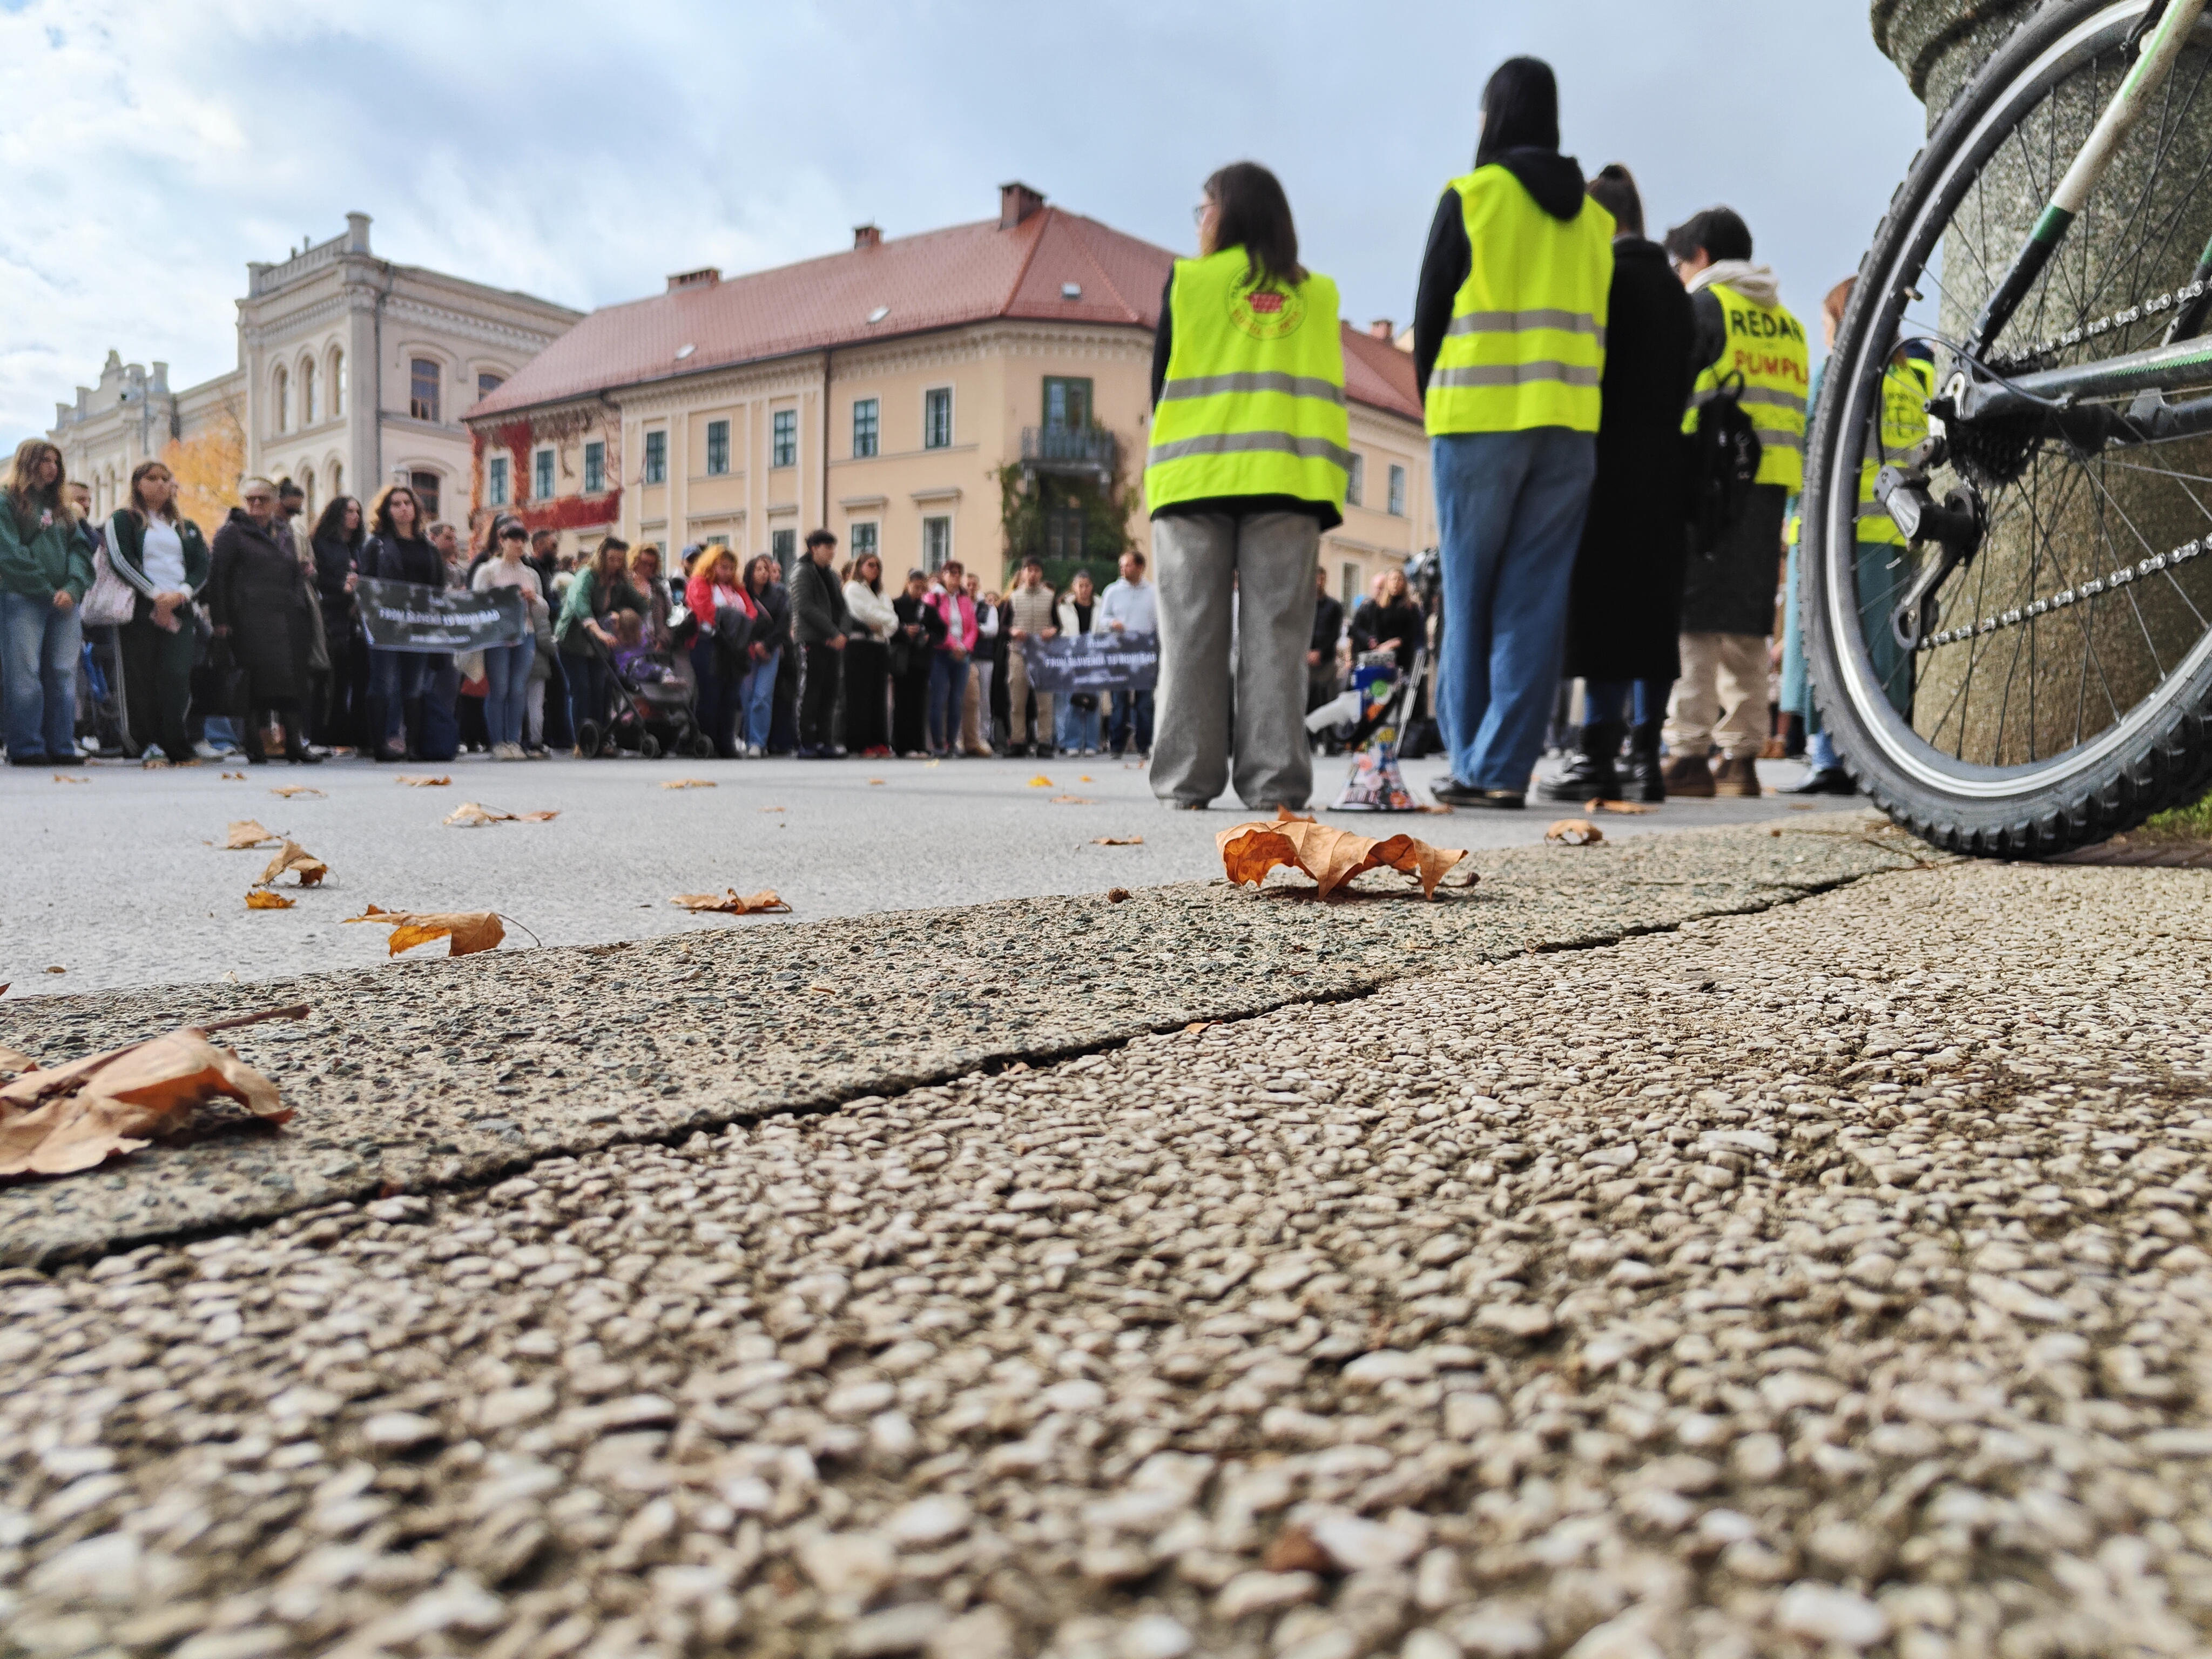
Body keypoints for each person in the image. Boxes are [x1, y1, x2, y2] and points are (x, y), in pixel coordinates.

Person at [1414, 57, 1614, 810]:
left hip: (1476, 422)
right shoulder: (1596, 220)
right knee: (1534, 603)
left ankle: (1470, 763)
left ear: (1495, 115)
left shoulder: (1473, 196)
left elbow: (1430, 315)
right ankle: (1503, 771)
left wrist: (1432, 407)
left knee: (1468, 597)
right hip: (1570, 427)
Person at [1146, 161, 1350, 810]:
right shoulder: (1318, 296)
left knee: (1191, 634)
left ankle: (1185, 781)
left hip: (1194, 476)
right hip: (1287, 481)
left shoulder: (1190, 282)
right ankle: (1275, 785)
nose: (1200, 220)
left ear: (1223, 213)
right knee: (1277, 636)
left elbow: (1162, 386)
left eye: (1203, 208)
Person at [1539, 163, 1695, 805]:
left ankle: (1596, 753)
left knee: (1603, 604)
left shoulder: (1604, 278)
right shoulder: (1678, 290)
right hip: (1668, 464)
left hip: (1608, 460)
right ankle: (1645, 756)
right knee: (1654, 612)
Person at [1660, 204, 1809, 799]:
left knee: (1694, 618)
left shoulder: (1705, 306)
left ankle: (1689, 751)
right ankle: (1742, 759)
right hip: (1769, 485)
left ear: (1699, 258)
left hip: (1710, 481)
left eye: (1679, 261)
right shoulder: (1790, 324)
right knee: (1747, 618)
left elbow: (1674, 395)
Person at [208, 477, 322, 764]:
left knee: (292, 683)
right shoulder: (231, 533)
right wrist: (220, 619)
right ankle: (255, 745)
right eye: (250, 499)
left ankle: (294, 744)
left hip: (288, 619)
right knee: (254, 683)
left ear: (275, 503)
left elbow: (291, 571)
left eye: (262, 499)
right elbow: (217, 578)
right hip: (249, 620)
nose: (256, 504)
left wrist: (302, 579)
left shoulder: (285, 532)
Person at [105, 461, 210, 765]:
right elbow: (120, 559)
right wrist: (154, 595)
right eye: (153, 478)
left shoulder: (186, 526)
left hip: (180, 608)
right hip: (139, 609)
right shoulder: (124, 519)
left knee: (176, 675)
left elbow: (202, 566)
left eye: (166, 478)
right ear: (138, 484)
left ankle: (175, 742)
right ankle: (143, 742)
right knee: (140, 677)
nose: (161, 484)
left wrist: (182, 593)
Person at [0, 441, 92, 765]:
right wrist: (44, 587)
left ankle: (61, 745)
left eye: (56, 461)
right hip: (22, 598)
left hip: (65, 602)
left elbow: (81, 551)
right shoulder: (6, 502)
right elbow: (8, 552)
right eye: (45, 460)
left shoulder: (64, 510)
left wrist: (72, 587)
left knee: (63, 672)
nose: (53, 467)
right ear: (28, 462)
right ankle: (26, 746)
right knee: (24, 673)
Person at [359, 484, 442, 761]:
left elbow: (438, 588)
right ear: (387, 511)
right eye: (396, 504)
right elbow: (367, 584)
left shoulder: (429, 547)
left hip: (419, 626)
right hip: (386, 626)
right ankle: (380, 744)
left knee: (414, 686)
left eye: (407, 503)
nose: (403, 508)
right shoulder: (376, 545)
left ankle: (414, 745)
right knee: (383, 683)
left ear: (416, 508)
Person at [555, 536, 640, 750]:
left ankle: (599, 741)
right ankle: (581, 742)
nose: (615, 564)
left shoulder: (620, 581)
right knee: (582, 689)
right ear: (602, 558)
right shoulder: (586, 576)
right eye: (611, 559)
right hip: (573, 641)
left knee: (600, 690)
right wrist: (600, 632)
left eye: (620, 560)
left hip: (598, 645)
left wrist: (643, 599)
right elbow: (580, 604)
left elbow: (635, 605)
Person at [473, 517, 542, 760]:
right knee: (499, 687)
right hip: (498, 636)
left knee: (518, 688)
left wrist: (534, 599)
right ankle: (497, 741)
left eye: (522, 540)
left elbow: (542, 610)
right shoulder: (488, 571)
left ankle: (514, 740)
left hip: (526, 633)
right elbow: (477, 602)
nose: (519, 545)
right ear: (501, 541)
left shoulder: (530, 574)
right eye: (513, 539)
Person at [685, 545, 754, 758]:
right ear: (712, 565)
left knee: (730, 696)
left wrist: (737, 623)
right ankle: (707, 741)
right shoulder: (699, 583)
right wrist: (733, 618)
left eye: (731, 568)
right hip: (710, 643)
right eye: (723, 567)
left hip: (734, 647)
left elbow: (751, 611)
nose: (727, 572)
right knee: (710, 694)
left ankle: (726, 742)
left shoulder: (737, 588)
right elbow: (704, 610)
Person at [788, 529, 848, 757]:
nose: (832, 552)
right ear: (814, 548)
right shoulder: (802, 572)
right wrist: (833, 632)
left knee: (830, 692)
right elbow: (805, 607)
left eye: (834, 547)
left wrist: (842, 633)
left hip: (833, 642)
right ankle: (806, 742)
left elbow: (843, 609)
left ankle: (825, 741)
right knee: (810, 691)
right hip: (811, 639)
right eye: (828, 547)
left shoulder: (832, 576)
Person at [1098, 549, 1158, 758]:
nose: (1124, 569)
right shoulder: (1112, 592)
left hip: (1144, 655)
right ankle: (1117, 746)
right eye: (1122, 566)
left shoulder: (1153, 592)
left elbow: (1159, 622)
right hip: (1119, 654)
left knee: (1144, 704)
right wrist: (1112, 623)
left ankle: (1144, 746)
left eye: (1128, 565)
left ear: (1140, 567)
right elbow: (1102, 619)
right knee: (1119, 702)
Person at [843, 551, 897, 757]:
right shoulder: (853, 588)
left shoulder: (881, 593)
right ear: (860, 567)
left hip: (879, 645)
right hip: (860, 647)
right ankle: (859, 743)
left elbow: (892, 619)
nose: (874, 569)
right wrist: (886, 622)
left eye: (877, 566)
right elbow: (864, 613)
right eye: (870, 565)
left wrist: (883, 626)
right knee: (860, 697)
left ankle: (878, 741)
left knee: (878, 697)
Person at [1002, 555, 1058, 757]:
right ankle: (1018, 741)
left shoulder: (1050, 597)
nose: (1033, 574)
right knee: (1017, 700)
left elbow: (1058, 624)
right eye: (1029, 570)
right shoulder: (1014, 598)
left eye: (1036, 570)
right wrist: (1012, 631)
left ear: (1041, 574)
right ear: (1023, 573)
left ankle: (1044, 742)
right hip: (1019, 652)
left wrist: (1053, 631)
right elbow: (1003, 626)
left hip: (1043, 654)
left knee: (1045, 701)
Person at [923, 559, 975, 757]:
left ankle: (952, 742)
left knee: (957, 699)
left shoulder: (964, 599)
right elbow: (937, 626)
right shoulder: (933, 598)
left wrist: (965, 646)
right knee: (938, 698)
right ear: (943, 575)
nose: (955, 577)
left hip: (962, 654)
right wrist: (953, 645)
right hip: (941, 652)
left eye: (958, 574)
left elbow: (972, 628)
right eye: (951, 573)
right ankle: (938, 743)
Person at [891, 567, 943, 757]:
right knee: (903, 703)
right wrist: (904, 631)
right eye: (916, 586)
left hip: (922, 661)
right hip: (902, 661)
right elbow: (889, 627)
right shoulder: (895, 604)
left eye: (923, 588)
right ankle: (902, 745)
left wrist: (929, 636)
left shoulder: (928, 610)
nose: (920, 591)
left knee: (920, 704)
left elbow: (940, 631)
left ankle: (919, 744)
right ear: (908, 584)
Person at [740, 553, 788, 756]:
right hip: (747, 651)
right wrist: (752, 644)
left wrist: (767, 645)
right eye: (758, 569)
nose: (763, 573)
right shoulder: (741, 594)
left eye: (766, 569)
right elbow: (739, 622)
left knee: (763, 696)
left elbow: (783, 624)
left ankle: (758, 742)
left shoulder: (778, 596)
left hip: (770, 651)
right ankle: (747, 738)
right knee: (747, 696)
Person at [1054, 568, 1105, 756]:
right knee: (1072, 702)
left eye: (1087, 586)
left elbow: (1105, 632)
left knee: (1093, 702)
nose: (1084, 589)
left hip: (1094, 659)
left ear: (1092, 587)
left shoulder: (1101, 607)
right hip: (1072, 660)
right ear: (1073, 587)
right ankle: (1072, 743)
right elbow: (1061, 633)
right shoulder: (1063, 608)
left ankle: (1092, 744)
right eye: (1080, 586)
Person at [960, 569, 998, 756]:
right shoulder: (958, 604)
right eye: (968, 584)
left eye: (974, 584)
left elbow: (993, 629)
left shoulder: (988, 608)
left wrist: (974, 629)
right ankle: (962, 737)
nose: (971, 588)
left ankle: (983, 735)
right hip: (965, 656)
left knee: (984, 698)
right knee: (963, 699)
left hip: (983, 656)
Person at [1306, 565, 1345, 736]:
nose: (1318, 582)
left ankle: (1329, 739)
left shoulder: (1334, 606)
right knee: (1305, 699)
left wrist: (1320, 652)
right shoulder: (1302, 606)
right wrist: (1306, 652)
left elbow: (1334, 633)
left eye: (1321, 578)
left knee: (1329, 700)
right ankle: (1306, 737)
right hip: (1304, 659)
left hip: (1326, 660)